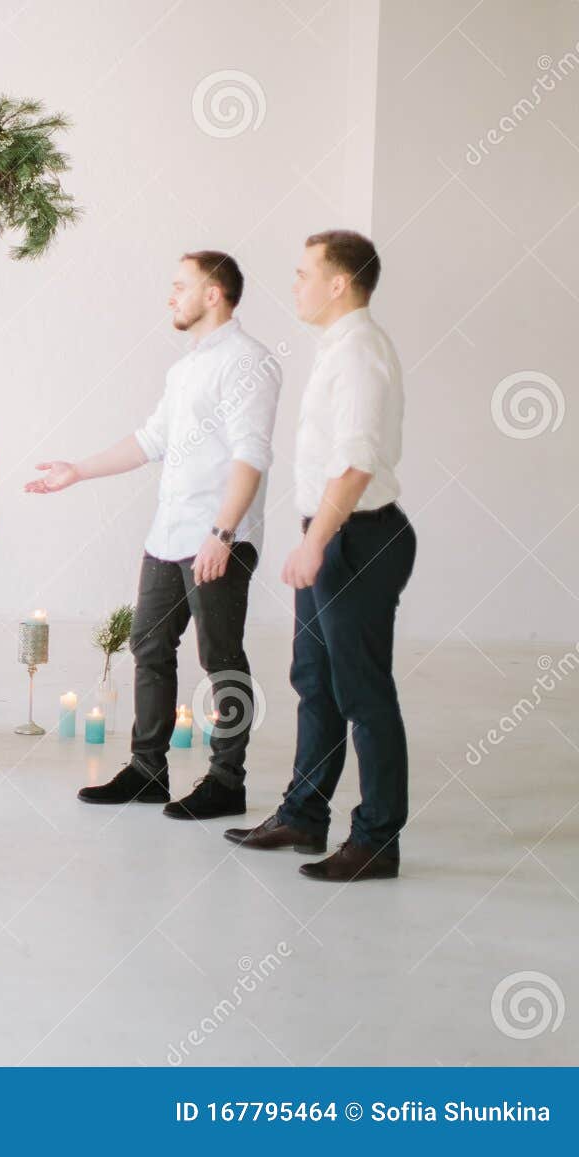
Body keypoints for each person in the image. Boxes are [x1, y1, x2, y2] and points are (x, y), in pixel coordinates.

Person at [28, 251, 282, 819]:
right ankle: (148, 771)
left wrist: (223, 531)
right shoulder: (187, 366)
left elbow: (252, 454)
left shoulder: (248, 362)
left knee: (221, 658)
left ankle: (227, 781)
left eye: (179, 287)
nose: (170, 297)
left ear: (213, 294)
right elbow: (150, 440)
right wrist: (78, 471)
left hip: (218, 538)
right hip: (168, 534)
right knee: (148, 647)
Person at [226, 230, 414, 882]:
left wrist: (314, 541)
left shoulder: (359, 351)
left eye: (306, 273)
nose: (297, 284)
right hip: (338, 535)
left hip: (357, 537)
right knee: (316, 681)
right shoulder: (339, 347)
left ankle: (378, 840)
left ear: (340, 283)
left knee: (363, 692)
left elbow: (358, 462)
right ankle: (305, 814)